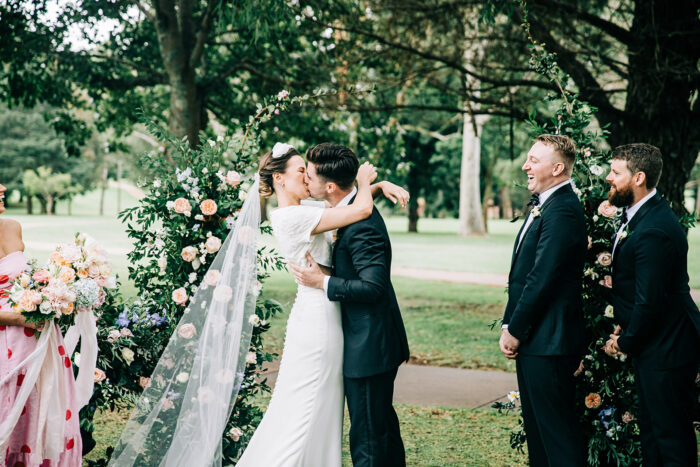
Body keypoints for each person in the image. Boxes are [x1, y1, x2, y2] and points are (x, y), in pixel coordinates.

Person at [291, 143, 410, 467]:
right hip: (367, 341)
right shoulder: (351, 208)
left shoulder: (362, 225)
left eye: (310, 175)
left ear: (329, 187)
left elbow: (373, 286)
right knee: (380, 429)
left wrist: (322, 282)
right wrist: (374, 185)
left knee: (369, 438)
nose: (305, 181)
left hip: (370, 346)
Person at [603, 143, 700, 466]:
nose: (608, 178)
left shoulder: (654, 228)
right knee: (654, 435)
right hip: (657, 342)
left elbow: (650, 301)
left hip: (669, 347)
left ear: (639, 178)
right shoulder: (642, 215)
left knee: (670, 438)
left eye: (616, 172)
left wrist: (626, 341)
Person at [498, 135, 587, 466]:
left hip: (551, 341)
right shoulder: (546, 205)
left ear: (558, 168)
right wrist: (509, 322)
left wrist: (515, 329)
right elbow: (520, 277)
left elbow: (543, 277)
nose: (526, 166)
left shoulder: (563, 210)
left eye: (534, 160)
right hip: (538, 339)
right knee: (539, 435)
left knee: (557, 438)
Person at [0, 182, 83, 466]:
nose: (3, 187)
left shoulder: (12, 226)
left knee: (33, 409)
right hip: (4, 337)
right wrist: (15, 317)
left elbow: (23, 278)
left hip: (34, 342)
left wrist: (49, 294)